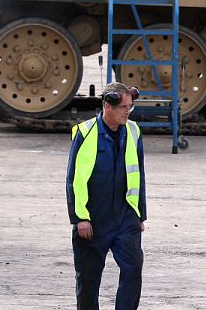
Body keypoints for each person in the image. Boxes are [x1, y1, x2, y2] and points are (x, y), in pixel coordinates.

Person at [67, 82, 146, 310]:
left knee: (133, 268)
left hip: (125, 216)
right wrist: (80, 218)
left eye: (130, 107)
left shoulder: (133, 131)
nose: (127, 112)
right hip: (94, 218)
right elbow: (74, 179)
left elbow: (139, 175)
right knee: (88, 279)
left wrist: (140, 215)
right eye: (123, 107)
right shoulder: (85, 133)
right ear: (108, 106)